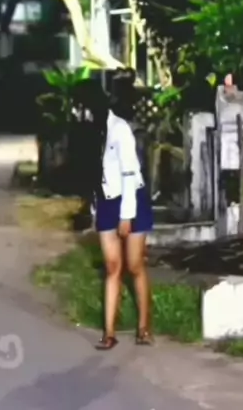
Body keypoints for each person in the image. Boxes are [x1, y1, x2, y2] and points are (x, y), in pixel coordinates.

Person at [90, 85, 154, 350]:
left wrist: (126, 215)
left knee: (135, 265)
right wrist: (94, 209)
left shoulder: (119, 129)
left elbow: (129, 173)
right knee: (112, 267)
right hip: (106, 202)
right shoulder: (91, 133)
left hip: (131, 198)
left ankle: (144, 328)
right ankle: (109, 333)